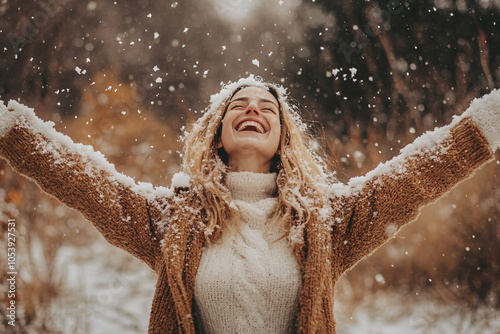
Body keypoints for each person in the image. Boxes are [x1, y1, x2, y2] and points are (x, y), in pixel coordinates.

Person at [0, 75, 499, 334]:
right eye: (238, 104)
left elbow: (412, 177)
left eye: (267, 107)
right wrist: (11, 130)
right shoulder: (175, 221)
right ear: (218, 133)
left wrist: (487, 124)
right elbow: (87, 182)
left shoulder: (325, 223)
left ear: (283, 138)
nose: (253, 109)